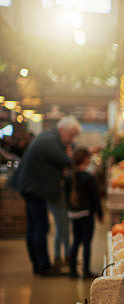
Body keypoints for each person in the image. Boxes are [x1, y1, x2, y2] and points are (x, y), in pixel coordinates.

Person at [10, 116, 81, 276]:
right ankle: (43, 266)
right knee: (40, 227)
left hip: (31, 186)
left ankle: (39, 264)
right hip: (34, 188)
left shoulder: (50, 137)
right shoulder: (49, 140)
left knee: (35, 226)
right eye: (71, 136)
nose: (71, 140)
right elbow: (67, 161)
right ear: (62, 130)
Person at [65, 148, 102, 279]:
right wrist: (99, 214)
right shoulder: (88, 177)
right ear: (86, 159)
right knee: (86, 242)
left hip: (74, 214)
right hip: (86, 214)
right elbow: (95, 198)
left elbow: (66, 195)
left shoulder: (70, 176)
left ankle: (72, 271)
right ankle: (86, 271)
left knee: (75, 241)